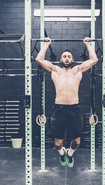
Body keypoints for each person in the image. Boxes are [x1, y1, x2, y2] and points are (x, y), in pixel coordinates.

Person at [35, 37, 98, 167]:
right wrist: (46, 45)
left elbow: (94, 59)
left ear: (72, 60)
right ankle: (62, 153)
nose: (67, 58)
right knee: (57, 143)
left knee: (77, 142)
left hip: (74, 109)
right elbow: (39, 59)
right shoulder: (55, 70)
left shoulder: (78, 70)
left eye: (69, 56)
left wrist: (88, 44)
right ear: (60, 59)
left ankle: (69, 154)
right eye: (64, 56)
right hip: (59, 109)